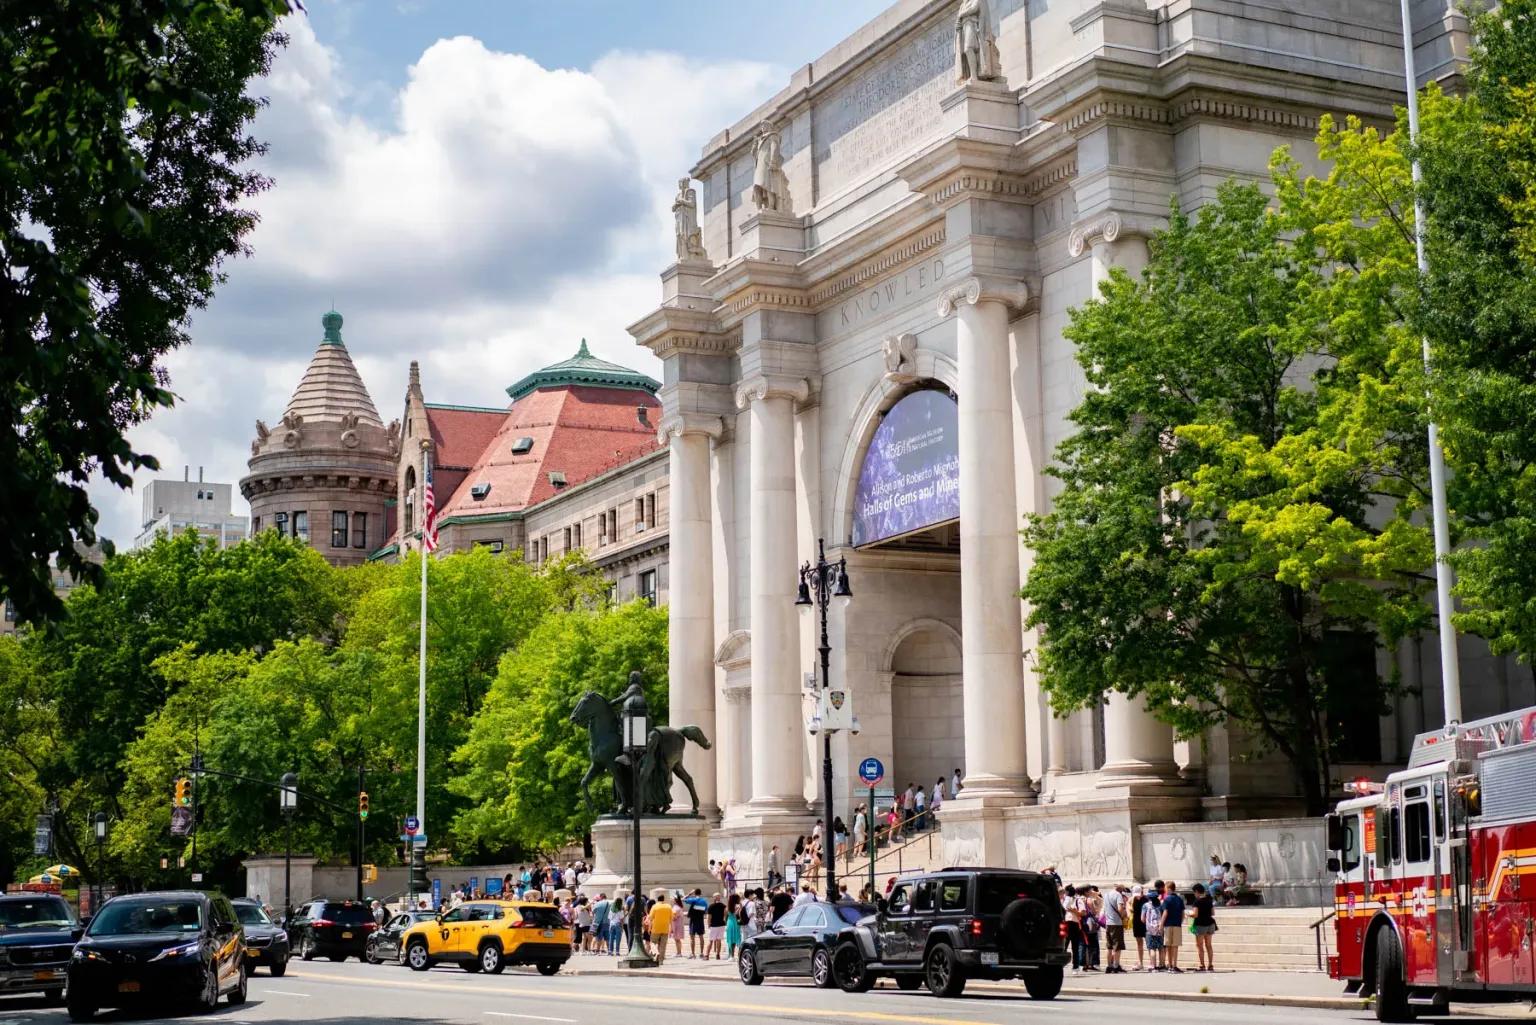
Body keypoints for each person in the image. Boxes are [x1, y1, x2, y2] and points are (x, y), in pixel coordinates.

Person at [1160, 880, 1186, 973]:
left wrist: (1161, 924)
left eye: (1166, 888)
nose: (1165, 890)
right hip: (1177, 924)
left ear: (1169, 889)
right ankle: (1175, 965)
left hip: (1168, 925)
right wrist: (1180, 922)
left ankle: (1169, 965)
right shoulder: (1179, 899)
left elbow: (1165, 912)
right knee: (1175, 946)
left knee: (1168, 946)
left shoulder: (1166, 899)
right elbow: (1183, 913)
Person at [1192, 882, 1217, 971]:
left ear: (1197, 891)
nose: (1194, 895)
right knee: (1209, 945)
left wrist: (1189, 915)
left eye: (1194, 893)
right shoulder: (1209, 900)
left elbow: (1195, 914)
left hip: (1200, 924)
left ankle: (1202, 965)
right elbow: (1213, 913)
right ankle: (1210, 964)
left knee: (1199, 945)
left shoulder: (1197, 902)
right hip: (1210, 923)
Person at [1103, 884, 1126, 974]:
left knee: (1109, 946)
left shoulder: (1106, 895)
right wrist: (1124, 915)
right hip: (1116, 923)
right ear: (1120, 889)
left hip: (1108, 923)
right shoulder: (1118, 895)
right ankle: (1116, 966)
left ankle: (1109, 966)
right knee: (1117, 946)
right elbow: (1120, 908)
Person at [1062, 884, 1086, 972]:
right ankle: (1061, 964)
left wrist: (1074, 911)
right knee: (1064, 945)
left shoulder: (1078, 900)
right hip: (1065, 923)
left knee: (1075, 946)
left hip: (1074, 924)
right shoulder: (1064, 900)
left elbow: (1083, 913)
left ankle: (1075, 966)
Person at [1141, 884, 1164, 971]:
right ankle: (1162, 965)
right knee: (1161, 948)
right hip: (1159, 928)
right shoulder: (1161, 904)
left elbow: (1142, 919)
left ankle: (1153, 965)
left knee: (1152, 948)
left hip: (1150, 930)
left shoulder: (1145, 905)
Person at [647, 895, 673, 965]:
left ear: (657, 900)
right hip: (665, 928)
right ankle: (661, 960)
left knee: (653, 944)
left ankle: (655, 955)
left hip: (656, 929)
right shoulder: (668, 907)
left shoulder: (654, 907)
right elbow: (671, 919)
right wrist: (671, 929)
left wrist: (649, 928)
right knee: (663, 945)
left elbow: (650, 918)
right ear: (663, 899)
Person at [685, 888, 708, 958]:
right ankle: (701, 953)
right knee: (701, 937)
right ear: (700, 893)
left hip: (693, 921)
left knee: (692, 937)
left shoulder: (693, 900)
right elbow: (706, 910)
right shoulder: (704, 901)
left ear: (695, 894)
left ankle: (693, 953)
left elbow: (684, 899)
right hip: (700, 920)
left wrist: (689, 894)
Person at [706, 892, 727, 960]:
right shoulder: (723, 906)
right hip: (721, 924)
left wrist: (708, 924)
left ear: (714, 898)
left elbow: (709, 917)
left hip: (714, 925)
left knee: (710, 940)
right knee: (719, 940)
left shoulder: (711, 906)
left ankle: (707, 955)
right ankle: (718, 954)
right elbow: (725, 915)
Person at [725, 893, 743, 959]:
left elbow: (725, 917)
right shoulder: (738, 906)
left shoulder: (728, 907)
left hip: (729, 923)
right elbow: (739, 915)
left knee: (730, 938)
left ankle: (730, 955)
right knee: (735, 939)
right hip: (735, 923)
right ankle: (732, 955)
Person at [669, 893, 686, 958]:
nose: (672, 900)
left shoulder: (676, 908)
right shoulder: (679, 907)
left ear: (675, 900)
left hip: (676, 925)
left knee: (677, 940)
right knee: (677, 940)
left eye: (673, 899)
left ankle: (679, 953)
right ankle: (678, 952)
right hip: (678, 925)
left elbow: (674, 917)